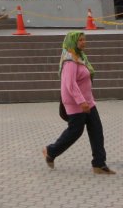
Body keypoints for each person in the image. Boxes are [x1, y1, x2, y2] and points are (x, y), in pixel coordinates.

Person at [43, 30, 116, 175]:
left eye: (84, 39)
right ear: (73, 42)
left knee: (97, 130)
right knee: (75, 131)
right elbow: (70, 84)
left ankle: (99, 164)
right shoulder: (70, 60)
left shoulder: (80, 57)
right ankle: (50, 151)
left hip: (88, 101)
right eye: (80, 40)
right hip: (76, 102)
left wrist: (86, 101)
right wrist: (81, 102)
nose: (84, 42)